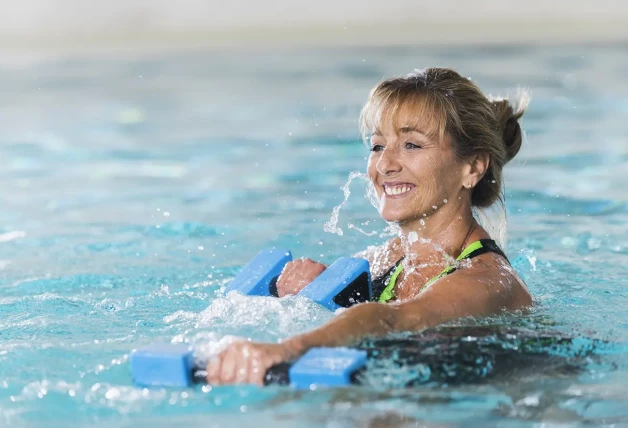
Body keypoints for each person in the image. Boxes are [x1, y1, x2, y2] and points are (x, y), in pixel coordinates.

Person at [206, 67, 533, 385]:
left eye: (412, 145)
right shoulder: (387, 258)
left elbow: (391, 319)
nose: (385, 164)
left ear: (473, 167)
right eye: (377, 146)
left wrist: (287, 349)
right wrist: (308, 294)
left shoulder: (489, 280)